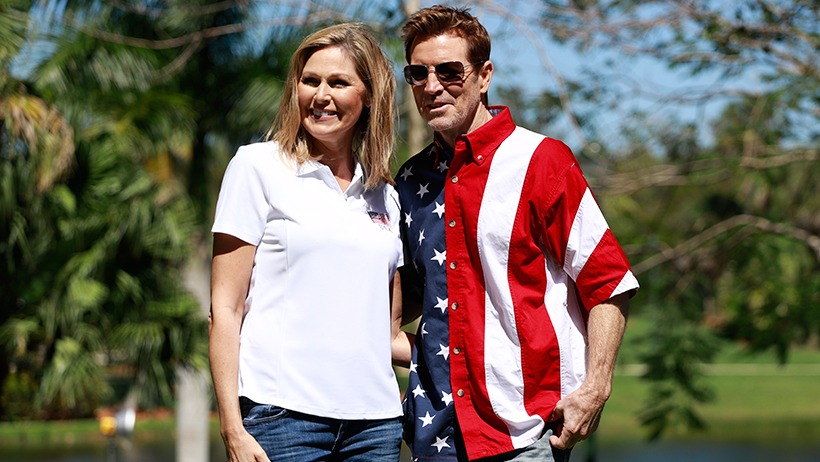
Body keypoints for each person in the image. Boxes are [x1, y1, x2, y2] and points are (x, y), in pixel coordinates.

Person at [392, 5, 640, 461]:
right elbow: (403, 300)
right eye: (418, 73)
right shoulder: (409, 180)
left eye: (449, 71)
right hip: (437, 433)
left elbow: (608, 281)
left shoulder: (541, 161)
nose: (432, 86)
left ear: (484, 75)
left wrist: (595, 388)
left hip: (527, 432)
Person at [208, 23, 404, 462]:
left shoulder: (386, 196)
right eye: (310, 80)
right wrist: (232, 427)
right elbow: (225, 308)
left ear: (368, 95)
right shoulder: (257, 167)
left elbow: (387, 333)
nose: (321, 95)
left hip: (376, 427)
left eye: (338, 83)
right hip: (281, 420)